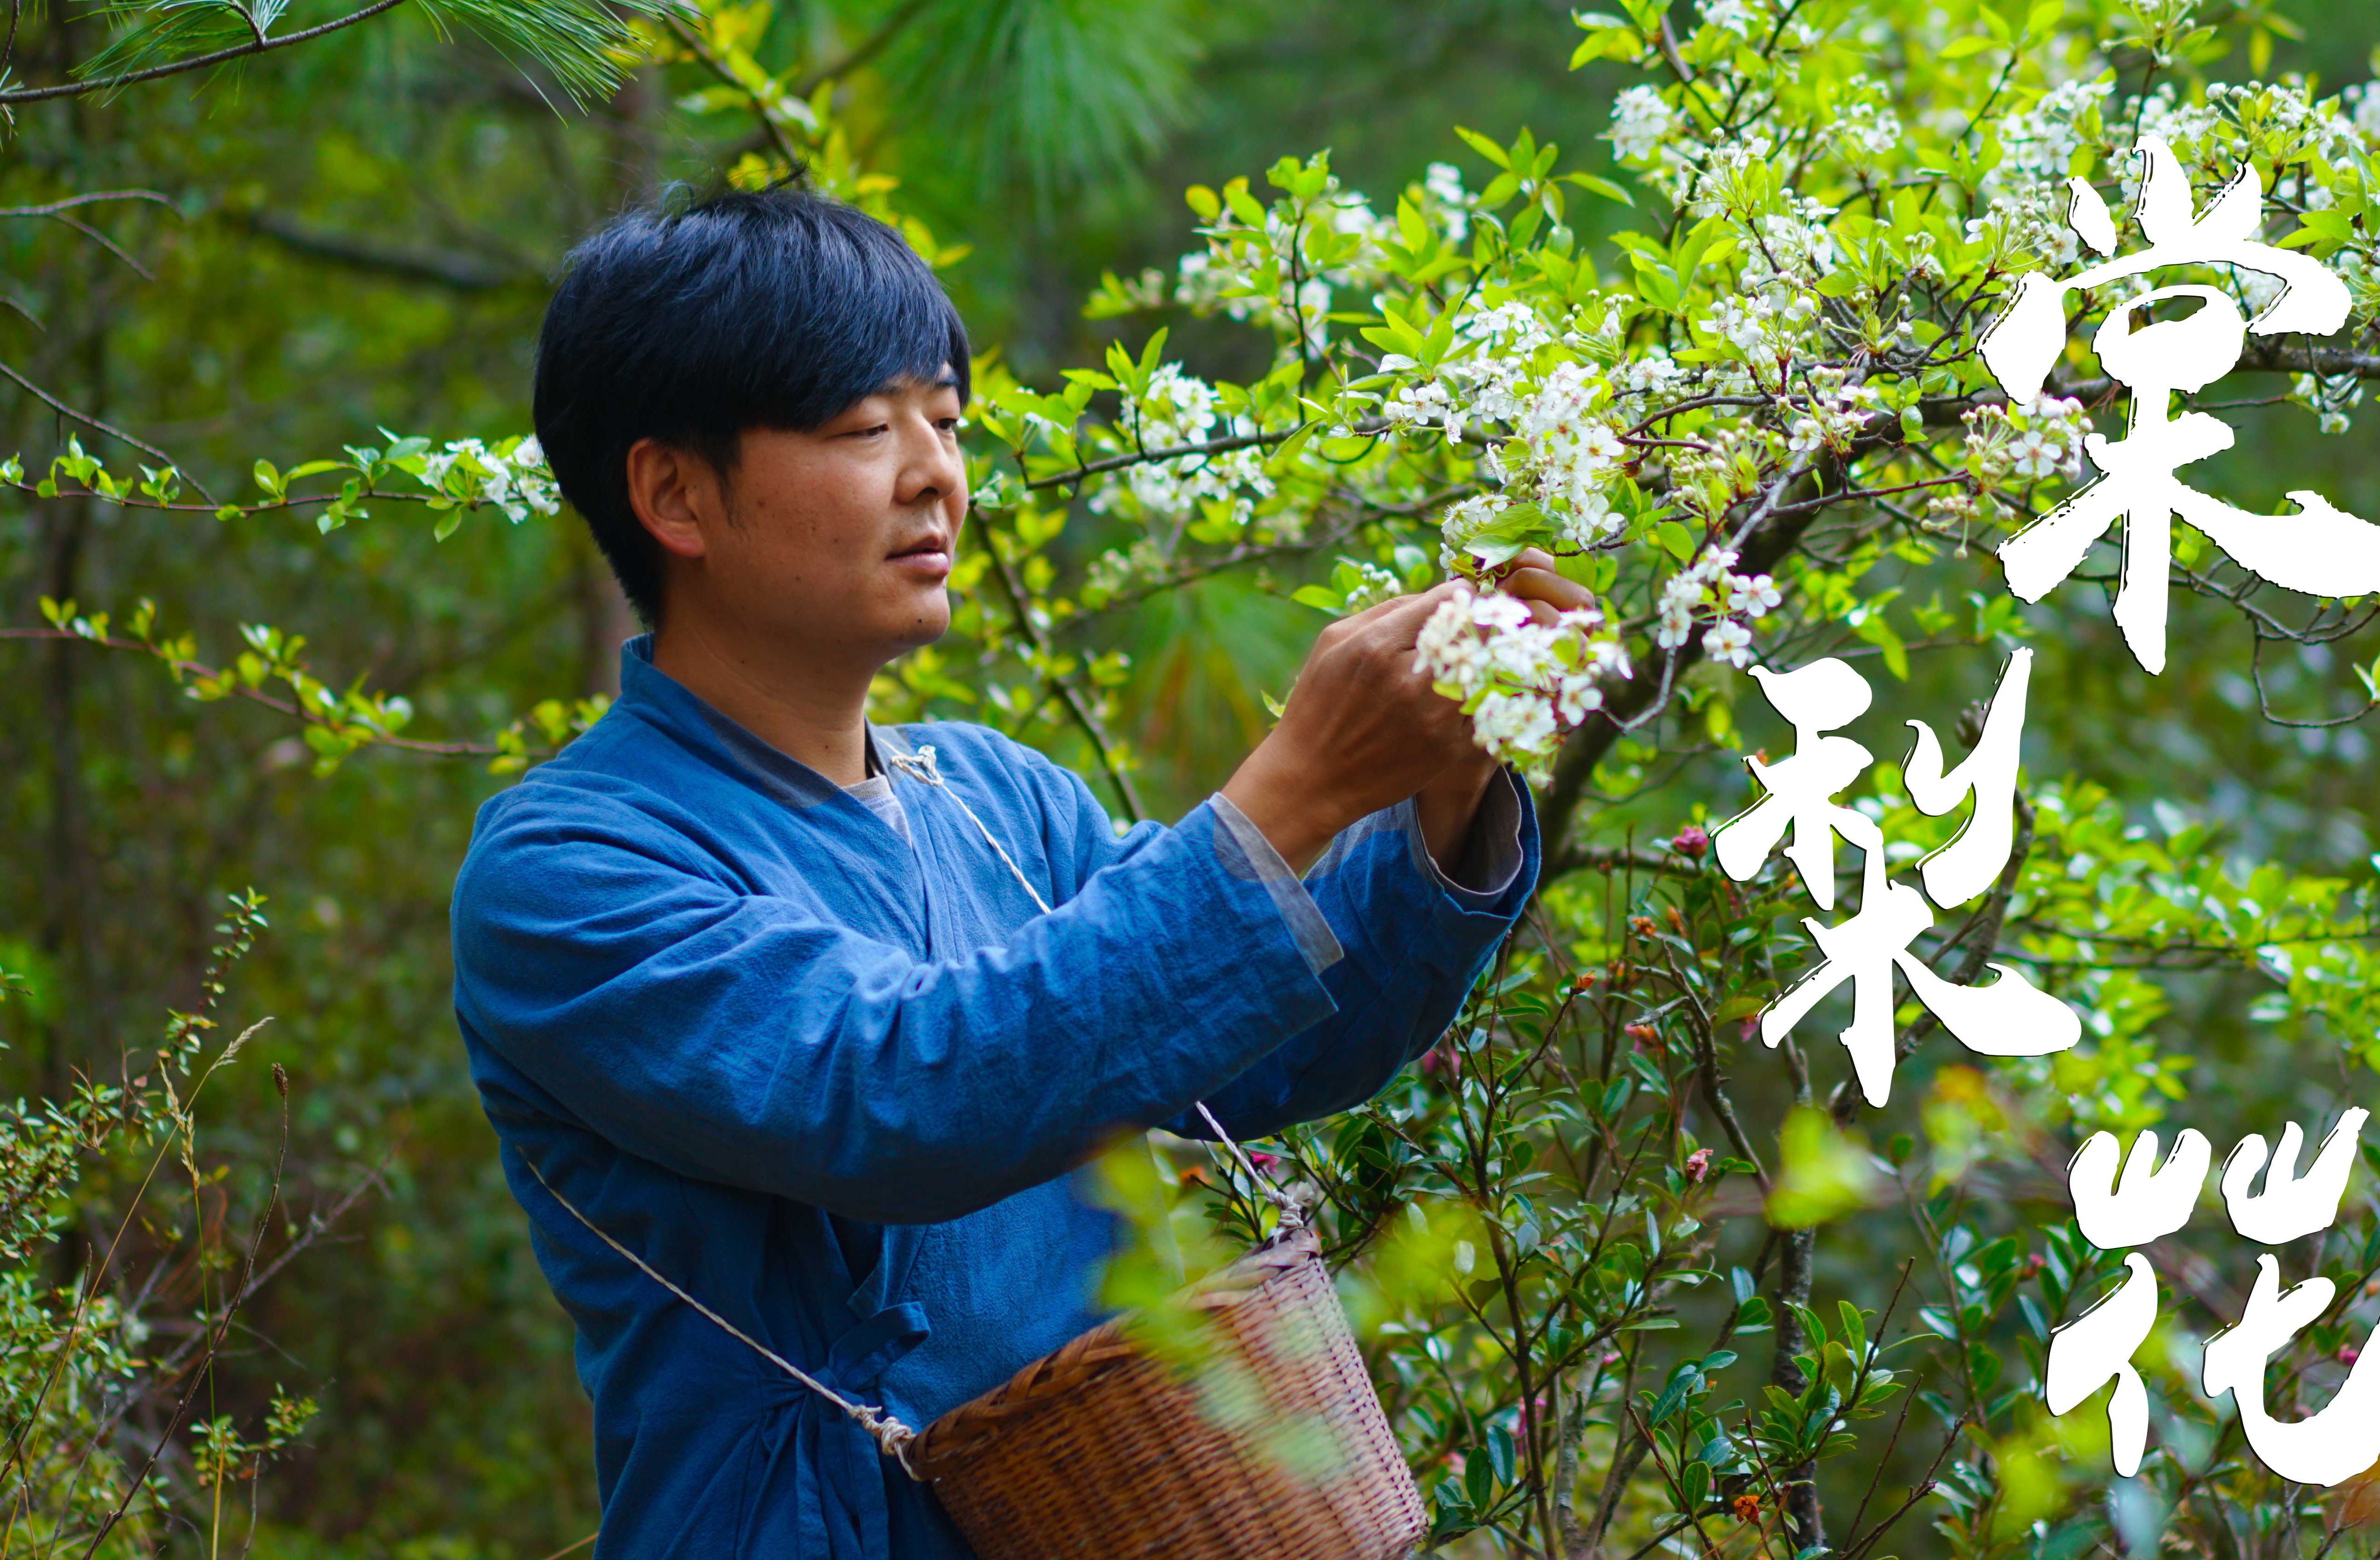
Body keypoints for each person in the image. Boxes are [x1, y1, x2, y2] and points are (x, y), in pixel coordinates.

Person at [451, 187, 1587, 1559]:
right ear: (674, 494)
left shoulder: (988, 793)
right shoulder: (570, 868)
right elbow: (900, 1091)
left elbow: (1274, 1047)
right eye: (865, 428)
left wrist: (1444, 771)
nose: (934, 473)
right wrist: (1296, 785)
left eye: (945, 419)